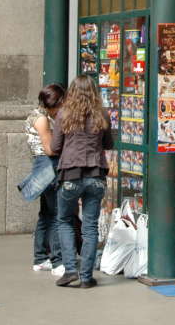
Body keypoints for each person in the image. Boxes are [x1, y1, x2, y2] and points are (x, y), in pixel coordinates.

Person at [51, 75, 112, 288]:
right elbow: (109, 143)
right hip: (95, 174)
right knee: (90, 226)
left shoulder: (64, 113)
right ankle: (86, 276)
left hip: (70, 174)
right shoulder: (101, 114)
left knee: (65, 220)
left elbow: (55, 147)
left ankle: (70, 270)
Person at [20, 84, 66, 277]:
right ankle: (57, 261)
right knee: (56, 214)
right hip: (48, 165)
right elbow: (49, 149)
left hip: (41, 166)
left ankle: (40, 258)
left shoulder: (35, 115)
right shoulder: (42, 119)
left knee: (46, 214)